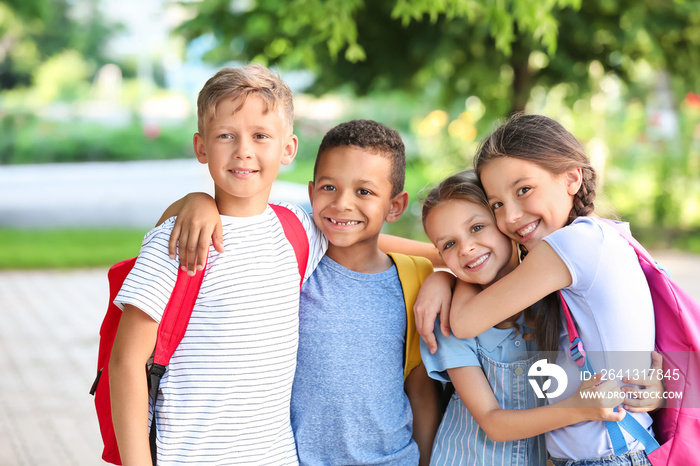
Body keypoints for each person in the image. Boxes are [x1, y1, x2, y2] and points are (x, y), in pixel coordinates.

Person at [160, 119, 443, 465]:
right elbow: (224, 222)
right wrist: (197, 200)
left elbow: (420, 386)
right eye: (329, 188)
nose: (342, 204)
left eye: (364, 192)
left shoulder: (415, 279)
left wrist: (446, 262)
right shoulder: (288, 260)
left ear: (395, 206)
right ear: (310, 193)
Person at [109, 64, 328, 465]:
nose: (244, 149)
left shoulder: (296, 228)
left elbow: (362, 238)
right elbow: (124, 363)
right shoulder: (178, 241)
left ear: (288, 148)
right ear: (201, 147)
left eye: (261, 136)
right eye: (226, 135)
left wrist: (442, 258)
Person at [416, 114, 661, 466]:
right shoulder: (593, 243)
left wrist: (446, 275)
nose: (512, 216)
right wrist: (442, 272)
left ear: (572, 177)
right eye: (498, 204)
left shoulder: (571, 247)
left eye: (524, 190)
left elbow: (466, 321)